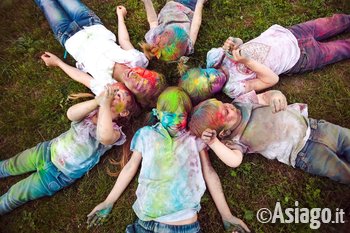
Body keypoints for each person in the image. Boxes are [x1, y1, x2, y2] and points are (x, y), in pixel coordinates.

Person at [87, 87, 250, 233]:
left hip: (183, 227)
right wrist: (108, 201)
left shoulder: (193, 138)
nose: (177, 121)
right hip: (145, 223)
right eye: (170, 115)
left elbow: (209, 172)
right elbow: (130, 167)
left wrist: (226, 215)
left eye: (182, 115)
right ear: (157, 114)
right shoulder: (146, 135)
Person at [0, 83, 138, 215]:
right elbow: (71, 114)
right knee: (11, 164)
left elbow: (104, 136)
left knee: (16, 195)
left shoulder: (115, 131)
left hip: (56, 176)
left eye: (120, 96)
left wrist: (105, 106)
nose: (114, 95)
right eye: (114, 91)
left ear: (124, 112)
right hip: (45, 152)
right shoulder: (91, 111)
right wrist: (97, 102)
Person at [189, 90, 350, 184]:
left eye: (222, 104)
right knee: (340, 170)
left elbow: (266, 97)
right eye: (225, 112)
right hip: (303, 153)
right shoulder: (235, 140)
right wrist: (214, 142)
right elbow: (234, 161)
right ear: (223, 133)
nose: (228, 106)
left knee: (346, 139)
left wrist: (276, 95)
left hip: (314, 127)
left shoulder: (242, 102)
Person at [180, 14, 350, 101]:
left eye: (206, 75)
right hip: (299, 58)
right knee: (341, 48)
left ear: (203, 68)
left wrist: (235, 43)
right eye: (210, 85)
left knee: (332, 21)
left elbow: (242, 44)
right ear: (213, 94)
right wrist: (246, 61)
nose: (213, 77)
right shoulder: (234, 88)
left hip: (289, 33)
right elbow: (271, 79)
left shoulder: (216, 57)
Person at [35, 0, 165, 106]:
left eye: (139, 85)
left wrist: (57, 62)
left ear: (133, 94)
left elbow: (82, 77)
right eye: (146, 75)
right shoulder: (137, 60)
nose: (138, 76)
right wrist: (120, 17)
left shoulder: (107, 88)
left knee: (46, 3)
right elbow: (124, 40)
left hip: (67, 36)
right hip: (89, 22)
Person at [140, 0, 207, 61]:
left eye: (166, 33)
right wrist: (200, 3)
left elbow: (153, 21)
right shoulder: (187, 45)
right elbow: (196, 23)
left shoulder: (154, 38)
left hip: (170, 7)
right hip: (185, 7)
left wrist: (147, 1)